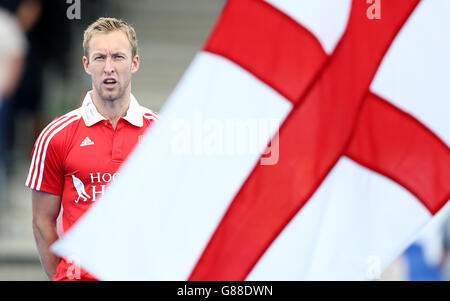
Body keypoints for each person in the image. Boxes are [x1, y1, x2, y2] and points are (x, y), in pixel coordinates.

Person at [26, 17, 159, 281]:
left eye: (118, 57)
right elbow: (42, 222)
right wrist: (63, 275)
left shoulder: (161, 134)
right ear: (86, 64)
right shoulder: (55, 135)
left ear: (135, 63)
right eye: (100, 58)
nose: (109, 67)